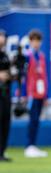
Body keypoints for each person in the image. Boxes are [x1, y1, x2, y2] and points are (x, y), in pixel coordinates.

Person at [24, 29, 48, 158]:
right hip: (31, 93)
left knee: (37, 120)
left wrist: (46, 95)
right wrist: (24, 94)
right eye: (34, 40)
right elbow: (25, 77)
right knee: (32, 120)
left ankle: (33, 145)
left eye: (38, 40)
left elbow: (44, 76)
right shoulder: (28, 55)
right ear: (30, 41)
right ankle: (29, 146)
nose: (36, 43)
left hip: (40, 93)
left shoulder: (42, 56)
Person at [0, 29, 12, 162]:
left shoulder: (5, 55)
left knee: (5, 122)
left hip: (5, 93)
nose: (2, 38)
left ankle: (2, 152)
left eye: (3, 36)